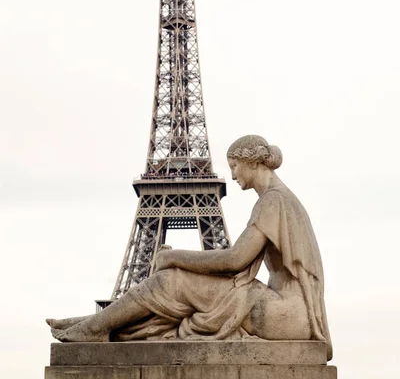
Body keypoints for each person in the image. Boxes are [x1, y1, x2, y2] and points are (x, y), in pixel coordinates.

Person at [47, 135, 332, 360]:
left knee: (172, 281)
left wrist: (173, 257)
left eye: (233, 166)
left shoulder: (274, 201)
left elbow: (235, 260)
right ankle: (101, 325)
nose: (232, 175)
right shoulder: (280, 199)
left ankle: (98, 327)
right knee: (176, 285)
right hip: (287, 311)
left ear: (252, 162)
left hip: (285, 315)